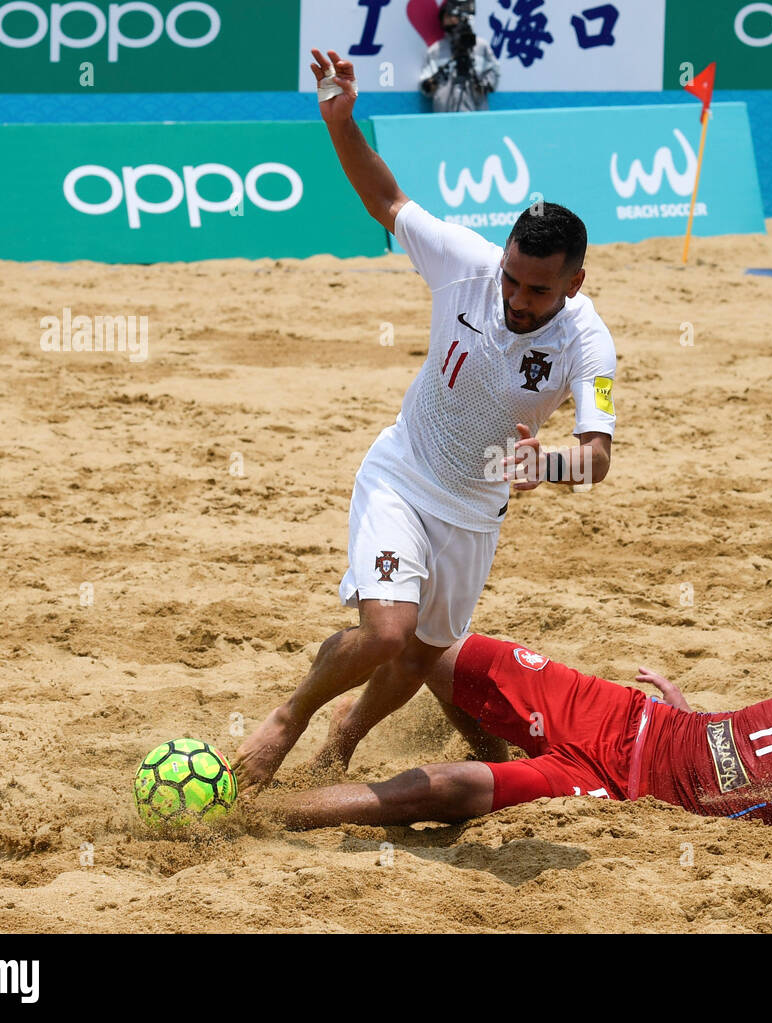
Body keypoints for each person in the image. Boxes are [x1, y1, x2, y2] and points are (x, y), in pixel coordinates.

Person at [232, 47, 616, 787]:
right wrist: (341, 122)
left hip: (476, 511)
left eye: (538, 289)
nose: (517, 298)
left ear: (575, 282)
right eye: (512, 278)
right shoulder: (467, 263)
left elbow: (597, 454)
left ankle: (338, 747)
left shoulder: (589, 342)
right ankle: (288, 718)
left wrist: (552, 462)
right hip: (404, 472)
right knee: (387, 631)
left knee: (420, 652)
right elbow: (386, 198)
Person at [259, 632, 772, 858]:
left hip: (620, 788)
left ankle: (261, 813)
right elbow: (741, 740)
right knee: (433, 642)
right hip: (626, 714)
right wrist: (690, 711)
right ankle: (341, 734)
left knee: (435, 792)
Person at [420, 0, 500, 113]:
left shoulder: (481, 47)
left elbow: (495, 73)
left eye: (456, 16)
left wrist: (483, 86)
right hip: (444, 118)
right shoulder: (435, 51)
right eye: (448, 16)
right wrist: (441, 75)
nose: (452, 20)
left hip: (476, 115)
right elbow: (425, 87)